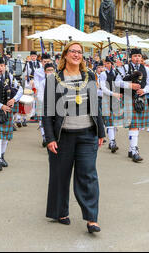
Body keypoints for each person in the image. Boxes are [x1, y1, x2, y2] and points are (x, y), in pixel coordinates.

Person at [42, 41, 105, 233]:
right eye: (72, 51)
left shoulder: (90, 76)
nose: (76, 55)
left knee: (88, 175)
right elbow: (47, 112)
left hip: (87, 134)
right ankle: (60, 211)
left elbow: (96, 106)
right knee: (60, 175)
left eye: (79, 52)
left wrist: (100, 131)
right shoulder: (54, 79)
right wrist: (50, 138)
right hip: (63, 135)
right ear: (65, 56)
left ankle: (92, 218)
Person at [0, 57, 23, 171]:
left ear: (5, 66)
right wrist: (1, 106)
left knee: (5, 136)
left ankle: (2, 156)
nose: (0, 68)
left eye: (2, 66)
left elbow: (20, 90)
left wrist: (14, 100)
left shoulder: (11, 77)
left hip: (8, 109)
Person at [118, 48, 149, 162]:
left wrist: (144, 91)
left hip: (140, 98)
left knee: (136, 125)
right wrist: (130, 86)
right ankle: (134, 150)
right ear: (131, 57)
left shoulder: (146, 69)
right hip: (128, 97)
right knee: (133, 124)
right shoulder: (125, 68)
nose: (137, 58)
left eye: (139, 56)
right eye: (135, 56)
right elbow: (117, 82)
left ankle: (131, 149)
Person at [99, 56, 124, 153]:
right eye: (106, 63)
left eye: (109, 63)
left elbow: (119, 84)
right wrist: (113, 93)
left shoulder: (117, 73)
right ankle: (112, 142)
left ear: (112, 64)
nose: (107, 65)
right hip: (106, 98)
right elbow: (103, 88)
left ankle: (111, 142)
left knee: (114, 122)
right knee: (109, 121)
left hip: (115, 99)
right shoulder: (103, 74)